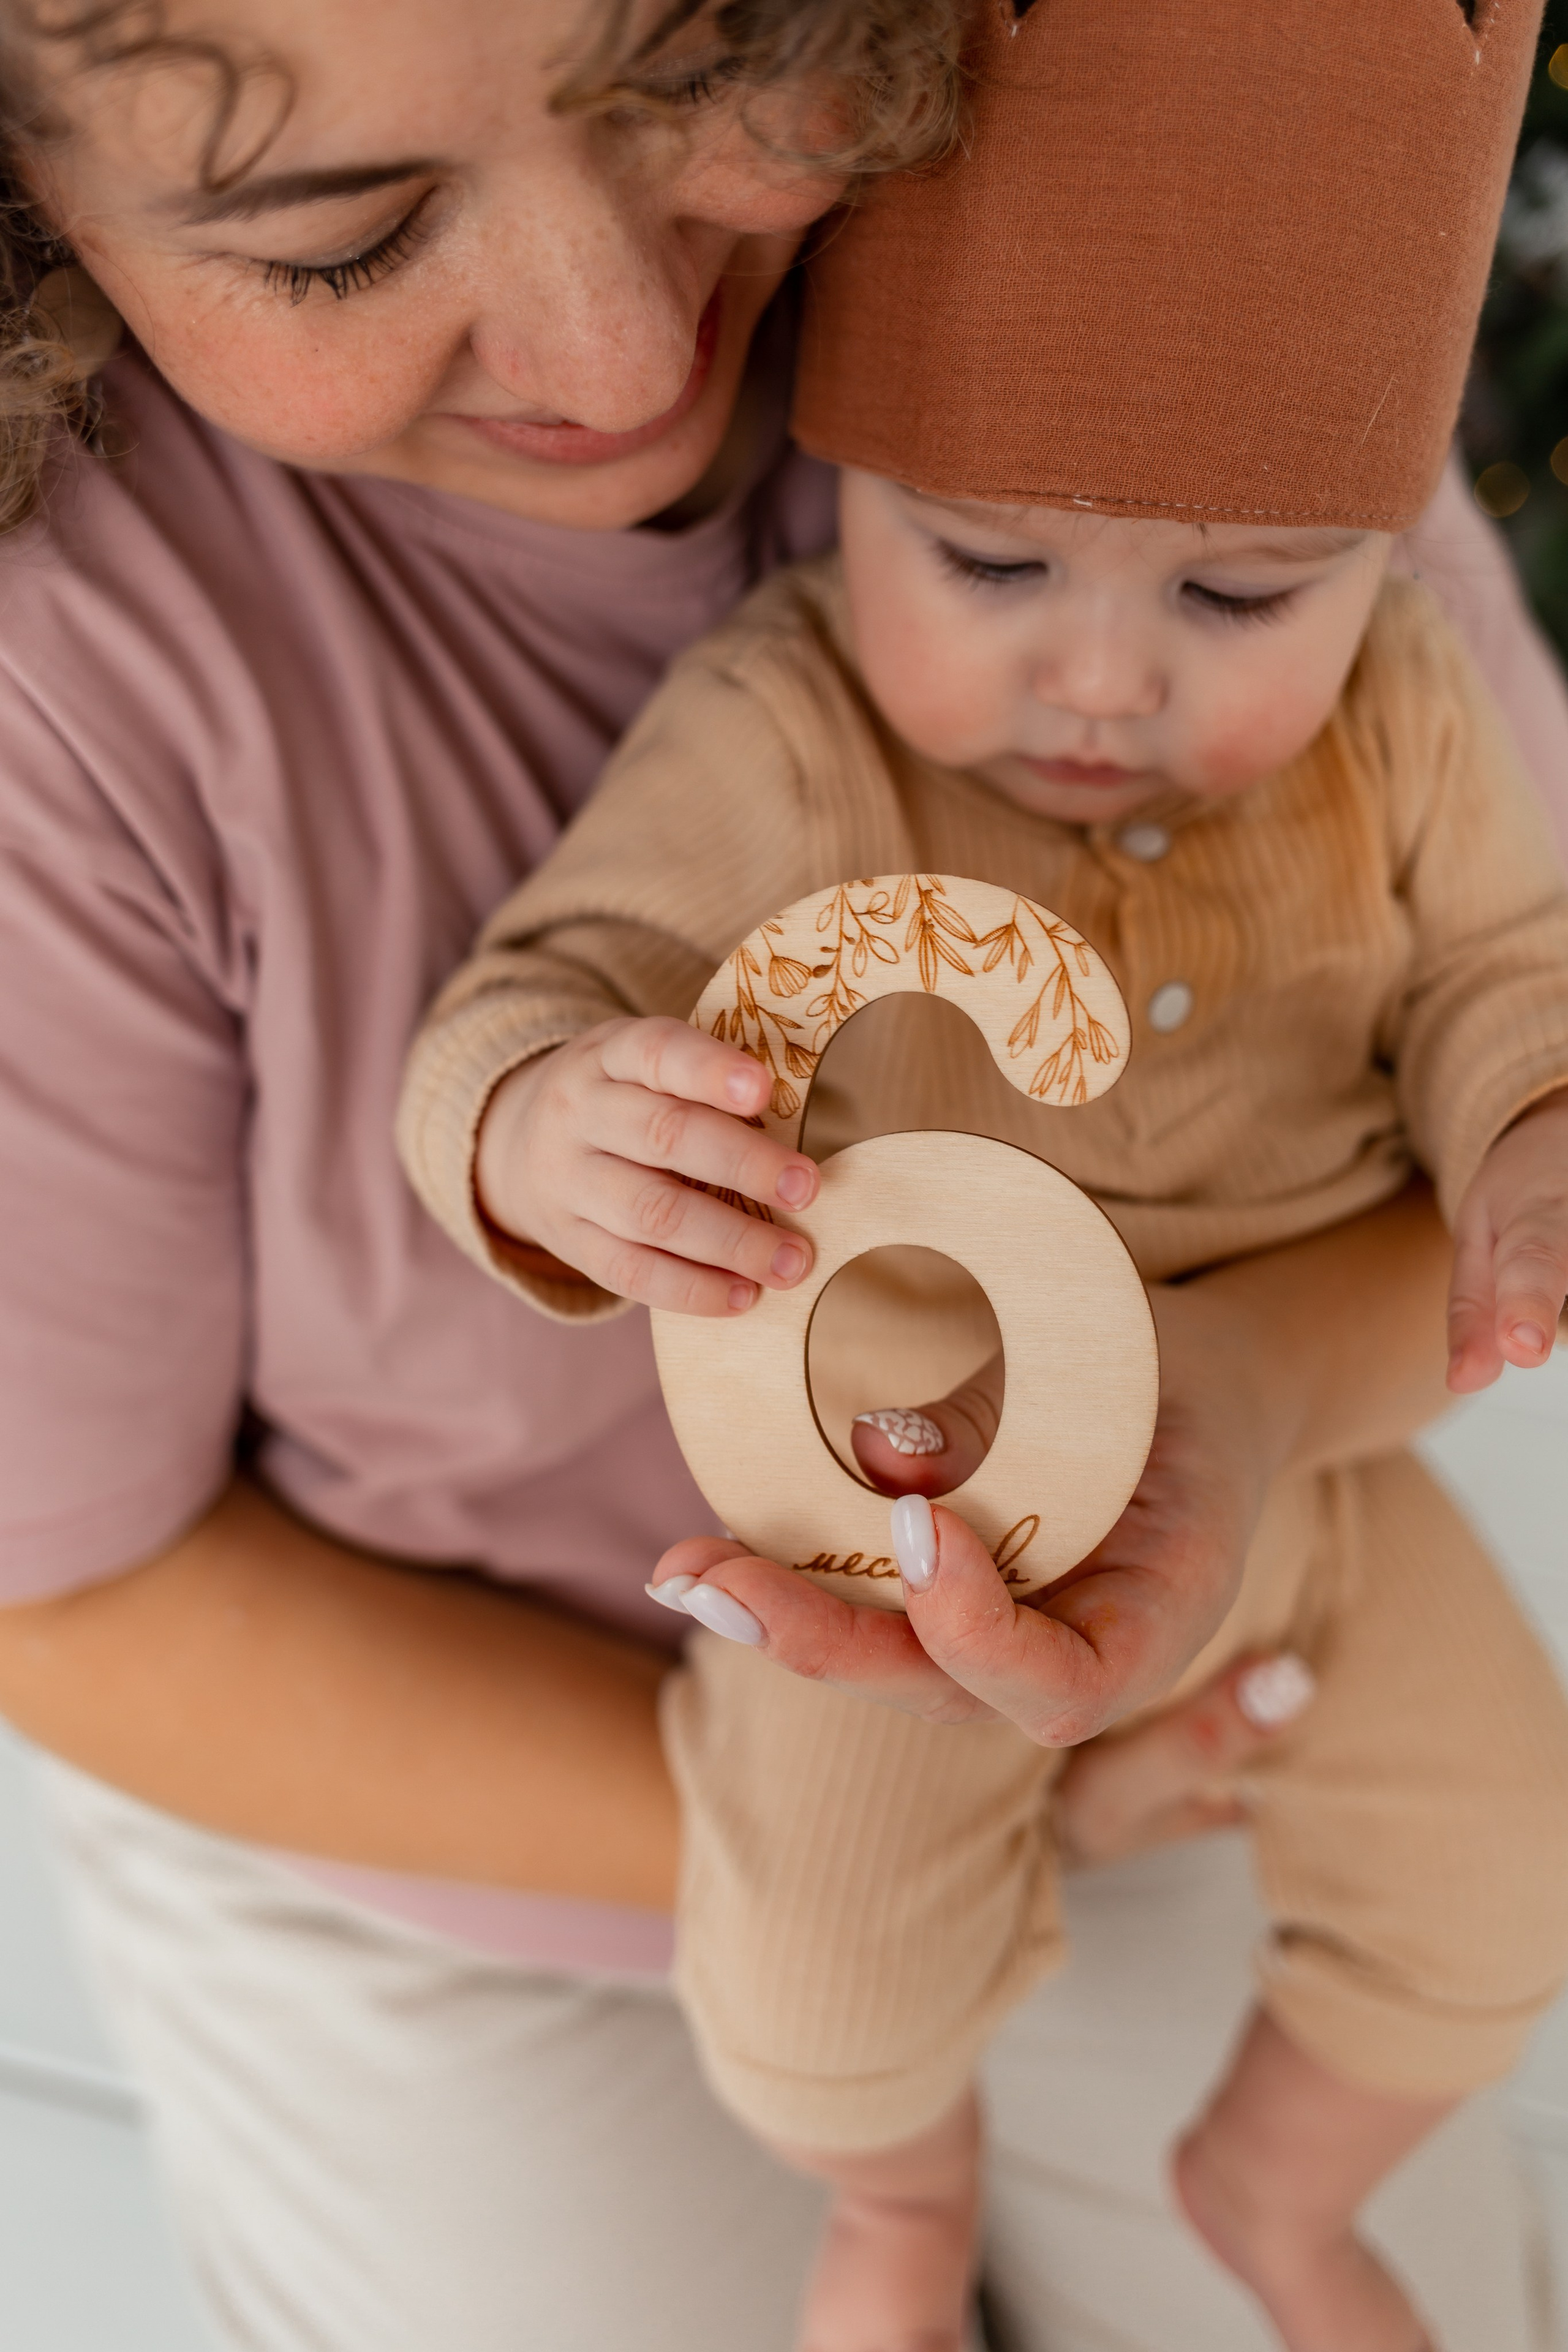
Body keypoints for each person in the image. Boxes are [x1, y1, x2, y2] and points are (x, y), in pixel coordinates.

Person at [0, 1, 1561, 2347]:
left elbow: (1490, 1041)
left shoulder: (1205, 267)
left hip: (1180, 1607)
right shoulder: (78, 687)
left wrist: (1233, 1404)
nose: (622, 349)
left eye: (692, 75)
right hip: (450, 1797)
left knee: (1454, 2003)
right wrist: (910, 1800)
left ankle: (1265, 2185)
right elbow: (79, 1594)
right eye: (340, 239)